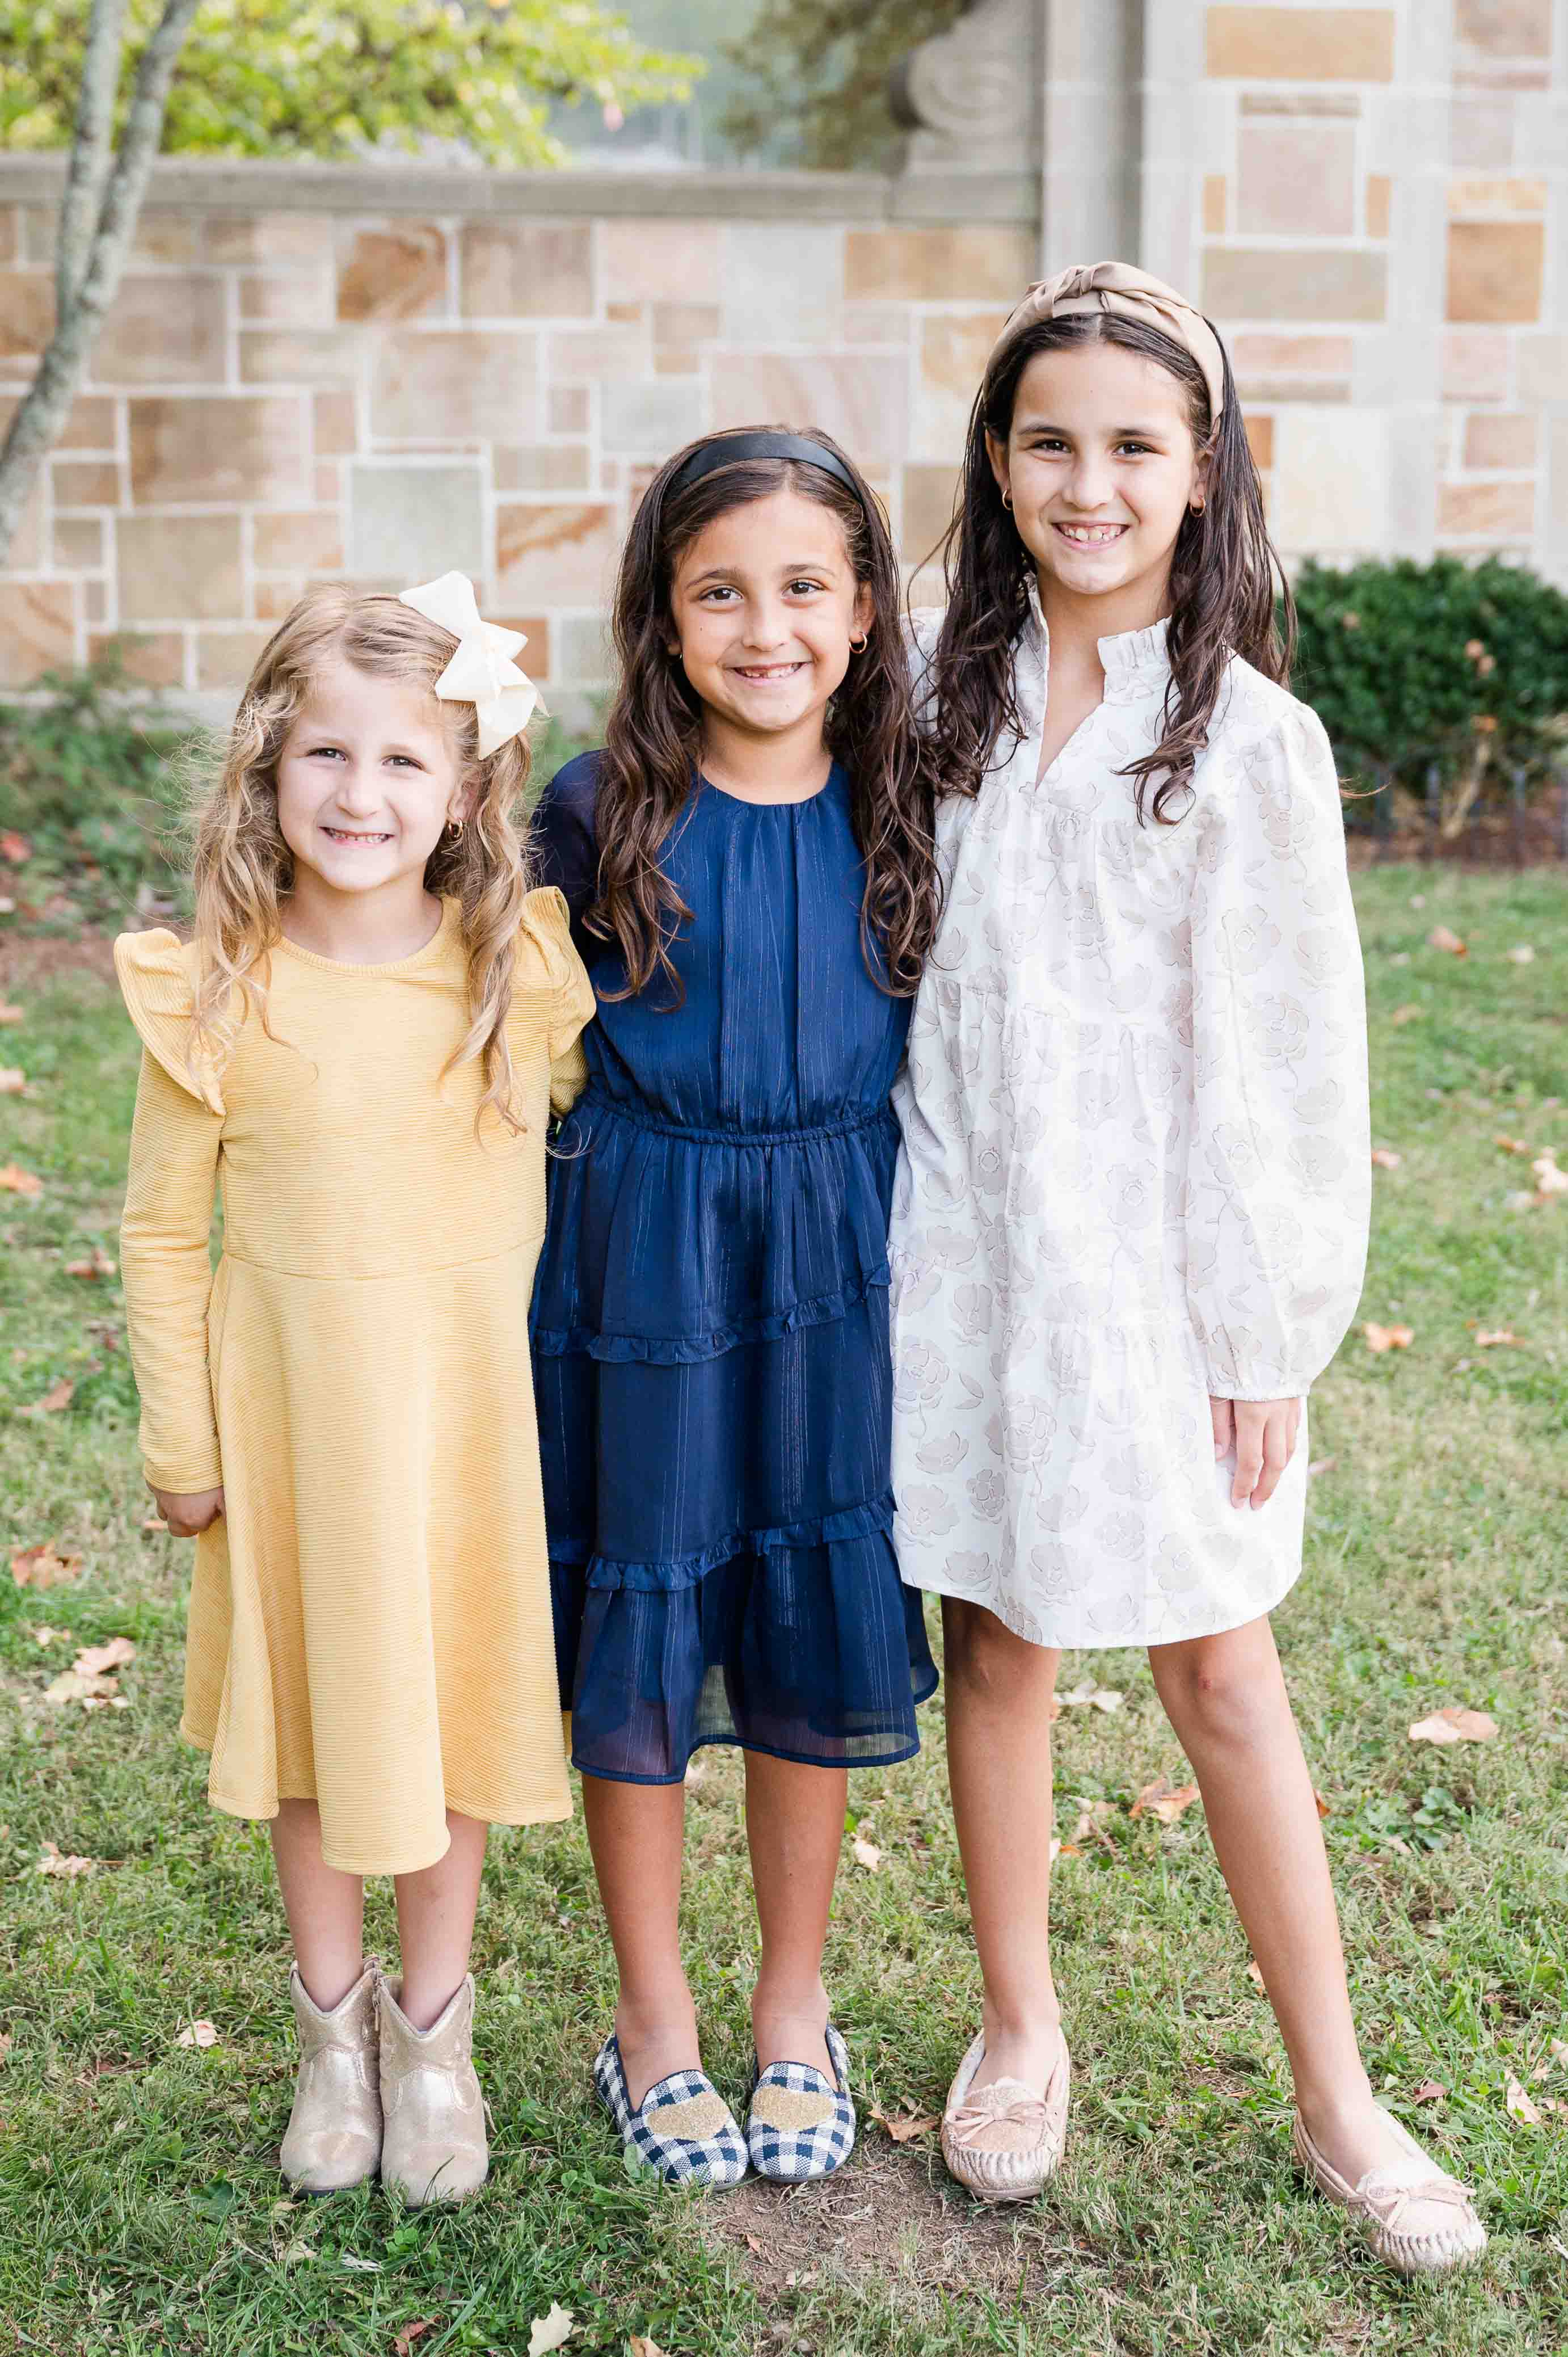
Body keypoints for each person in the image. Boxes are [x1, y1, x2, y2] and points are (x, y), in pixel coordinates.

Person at [890, 264, 1487, 2274]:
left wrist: (1263, 1316)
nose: (1087, 480)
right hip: (966, 1241)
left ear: (1202, 469)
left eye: (1132, 445)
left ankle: (1339, 2097)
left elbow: (1291, 1054)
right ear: (994, 460)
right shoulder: (932, 696)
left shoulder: (1245, 739)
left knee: (1220, 1662)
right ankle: (1019, 2022)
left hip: (1155, 1270)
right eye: (1047, 440)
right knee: (999, 1640)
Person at [115, 577, 593, 2206]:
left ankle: (433, 2042)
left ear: (465, 790)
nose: (359, 795)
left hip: (462, 1436)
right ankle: (330, 2043)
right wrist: (185, 1444)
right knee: (319, 1735)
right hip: (298, 1433)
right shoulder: (216, 989)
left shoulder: (508, 973)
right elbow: (161, 1230)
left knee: (447, 1724)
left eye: (403, 763)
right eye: (324, 753)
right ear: (267, 769)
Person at [530, 427, 942, 2187]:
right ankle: (653, 2023)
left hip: (835, 1263)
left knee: (797, 1610)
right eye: (719, 590)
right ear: (661, 615)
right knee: (647, 1617)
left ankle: (791, 2006)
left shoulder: (913, 797)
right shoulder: (588, 806)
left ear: (860, 608)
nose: (762, 625)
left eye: (800, 585)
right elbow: (511, 1046)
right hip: (641, 1259)